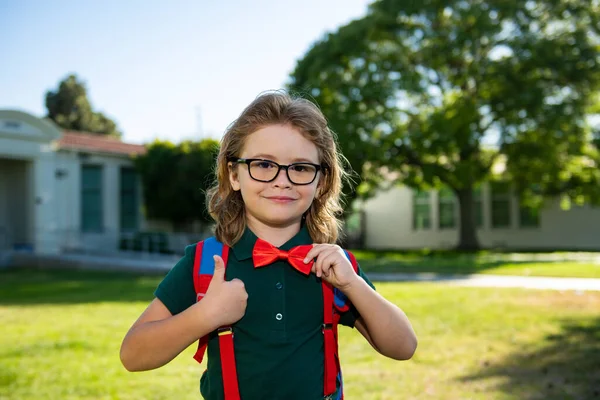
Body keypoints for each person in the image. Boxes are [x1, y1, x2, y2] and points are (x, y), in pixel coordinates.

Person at [120, 91, 417, 400]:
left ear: (321, 183)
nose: (282, 180)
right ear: (234, 174)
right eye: (264, 164)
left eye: (301, 168)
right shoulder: (205, 262)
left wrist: (354, 285)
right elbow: (133, 355)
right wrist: (206, 315)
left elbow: (403, 346)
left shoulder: (334, 266)